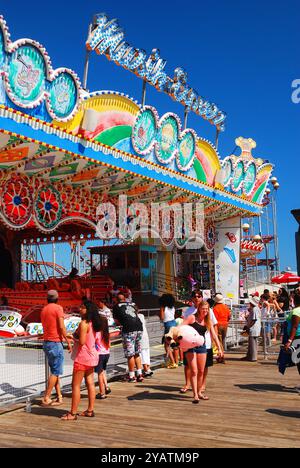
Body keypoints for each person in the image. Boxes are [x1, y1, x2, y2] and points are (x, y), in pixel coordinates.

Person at [61, 301, 102, 420]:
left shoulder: (84, 323)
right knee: (90, 383)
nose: (80, 309)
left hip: (82, 357)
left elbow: (82, 341)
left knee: (76, 386)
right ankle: (90, 410)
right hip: (92, 356)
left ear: (88, 310)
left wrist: (73, 337)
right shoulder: (94, 322)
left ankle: (72, 413)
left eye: (82, 307)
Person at [183, 301, 223, 403]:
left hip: (202, 346)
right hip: (191, 347)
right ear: (199, 308)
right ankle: (195, 395)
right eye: (203, 308)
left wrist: (219, 348)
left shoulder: (207, 320)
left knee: (201, 371)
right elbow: (181, 327)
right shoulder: (192, 317)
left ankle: (200, 392)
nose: (205, 311)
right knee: (194, 371)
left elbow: (214, 335)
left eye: (207, 309)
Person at [41, 290, 72, 406]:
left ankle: (59, 396)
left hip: (47, 342)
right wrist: (68, 341)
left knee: (55, 371)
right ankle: (46, 397)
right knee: (56, 372)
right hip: (55, 342)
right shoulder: (58, 308)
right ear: (57, 298)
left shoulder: (44, 309)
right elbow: (61, 327)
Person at [113, 293, 144, 382]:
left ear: (116, 299)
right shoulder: (132, 304)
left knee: (130, 354)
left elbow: (116, 321)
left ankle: (131, 376)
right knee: (137, 352)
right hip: (139, 328)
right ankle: (140, 374)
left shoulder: (116, 306)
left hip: (129, 329)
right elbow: (136, 312)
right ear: (125, 299)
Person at [95, 315, 111, 399]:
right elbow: (109, 345)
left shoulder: (97, 333)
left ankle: (102, 393)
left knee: (99, 373)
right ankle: (106, 386)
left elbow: (93, 342)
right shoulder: (107, 334)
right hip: (107, 353)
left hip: (100, 354)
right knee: (103, 371)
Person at [159, 294, 177, 369]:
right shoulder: (172, 307)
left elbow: (162, 317)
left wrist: (159, 314)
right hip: (174, 323)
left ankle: (172, 362)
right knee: (174, 344)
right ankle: (176, 361)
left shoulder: (163, 307)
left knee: (166, 345)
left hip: (168, 325)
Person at [241, 296, 262, 362]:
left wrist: (248, 326)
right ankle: (250, 356)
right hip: (254, 328)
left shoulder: (255, 309)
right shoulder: (256, 308)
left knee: (253, 343)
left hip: (254, 328)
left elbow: (254, 320)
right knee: (252, 343)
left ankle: (253, 357)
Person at [213, 293, 231, 362]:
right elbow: (229, 316)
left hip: (218, 325)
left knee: (219, 341)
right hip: (225, 325)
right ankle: (221, 356)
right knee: (222, 341)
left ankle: (221, 356)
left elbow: (214, 319)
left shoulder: (215, 308)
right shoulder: (225, 307)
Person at [138, 311, 153, 378]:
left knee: (142, 354)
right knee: (147, 353)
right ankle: (148, 369)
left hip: (140, 337)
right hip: (145, 336)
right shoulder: (142, 315)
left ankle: (146, 370)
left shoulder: (136, 317)